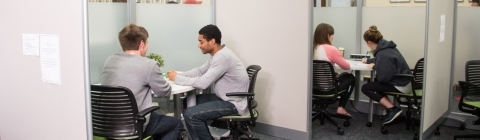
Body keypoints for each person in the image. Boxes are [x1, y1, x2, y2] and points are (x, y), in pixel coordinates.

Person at [166, 24, 249, 140]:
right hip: (225, 97)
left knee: (191, 114)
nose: (198, 45)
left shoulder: (222, 57)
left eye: (201, 42)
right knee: (187, 102)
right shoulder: (218, 54)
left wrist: (177, 79)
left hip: (233, 103)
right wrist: (178, 75)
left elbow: (203, 83)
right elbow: (200, 71)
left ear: (212, 41)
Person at [101, 24, 183, 140]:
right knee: (176, 124)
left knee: (158, 121)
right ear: (142, 44)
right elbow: (164, 92)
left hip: (107, 125)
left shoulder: (109, 60)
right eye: (147, 43)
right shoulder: (148, 64)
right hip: (133, 125)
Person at [361, 25, 412, 124]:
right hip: (405, 81)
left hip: (401, 85)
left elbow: (383, 78)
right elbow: (381, 61)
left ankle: (393, 109)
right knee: (371, 83)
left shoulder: (382, 54)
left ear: (369, 42)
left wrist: (375, 67)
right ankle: (390, 109)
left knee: (366, 88)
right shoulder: (388, 48)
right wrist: (369, 61)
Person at [313, 23, 356, 117]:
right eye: (332, 35)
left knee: (335, 75)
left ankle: (322, 106)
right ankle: (341, 107)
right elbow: (346, 66)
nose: (333, 37)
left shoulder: (311, 48)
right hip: (328, 88)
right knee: (350, 77)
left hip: (313, 87)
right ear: (328, 36)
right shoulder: (331, 49)